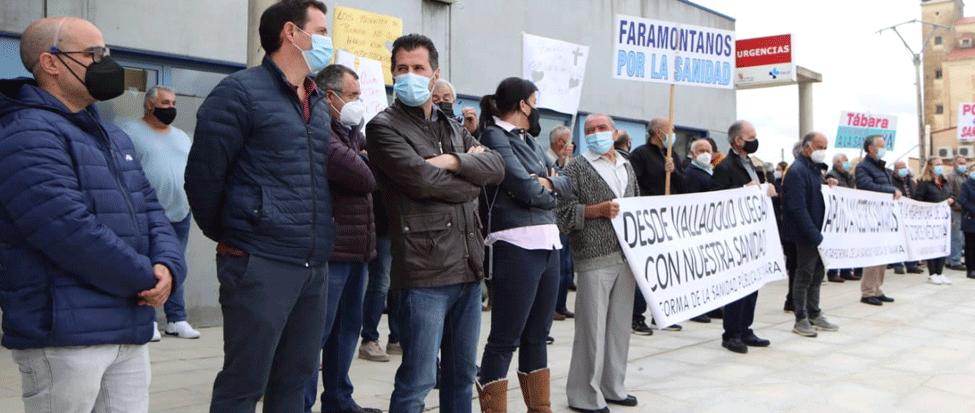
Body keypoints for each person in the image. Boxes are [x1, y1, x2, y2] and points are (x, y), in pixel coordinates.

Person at [0, 16, 186, 412]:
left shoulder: (112, 134)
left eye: (107, 53)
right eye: (93, 54)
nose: (106, 64)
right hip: (65, 333)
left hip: (129, 326)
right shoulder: (26, 131)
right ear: (50, 63)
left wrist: (168, 266)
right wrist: (145, 278)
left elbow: (151, 209)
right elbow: (65, 228)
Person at [184, 1, 336, 411]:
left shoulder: (317, 102)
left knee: (295, 381)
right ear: (291, 32)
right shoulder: (239, 92)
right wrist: (239, 235)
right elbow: (203, 176)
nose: (328, 42)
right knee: (244, 383)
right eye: (321, 32)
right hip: (259, 259)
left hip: (312, 262)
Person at [365, 33, 504, 413]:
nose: (409, 75)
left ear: (435, 73)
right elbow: (420, 179)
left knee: (461, 378)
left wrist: (455, 162)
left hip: (468, 268)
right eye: (401, 69)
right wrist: (469, 182)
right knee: (418, 380)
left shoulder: (451, 126)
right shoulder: (383, 127)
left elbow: (495, 166)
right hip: (424, 272)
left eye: (418, 68)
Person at [475, 77, 572, 413]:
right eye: (534, 100)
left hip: (548, 242)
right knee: (505, 337)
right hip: (514, 243)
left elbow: (566, 182)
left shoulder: (528, 141)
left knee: (537, 335)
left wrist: (544, 182)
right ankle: (492, 408)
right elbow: (522, 185)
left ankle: (539, 407)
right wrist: (545, 183)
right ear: (521, 104)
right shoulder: (493, 135)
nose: (536, 107)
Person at [303, 64, 382, 413]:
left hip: (358, 250)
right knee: (313, 336)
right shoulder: (318, 127)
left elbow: (379, 167)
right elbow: (365, 177)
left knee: (347, 331)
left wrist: (366, 160)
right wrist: (364, 162)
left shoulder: (350, 131)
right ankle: (300, 404)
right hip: (330, 250)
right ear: (330, 96)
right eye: (352, 96)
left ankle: (338, 400)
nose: (358, 103)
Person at [557, 114, 640, 413]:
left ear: (615, 132)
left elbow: (637, 206)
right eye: (589, 129)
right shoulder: (577, 167)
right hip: (593, 255)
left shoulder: (626, 165)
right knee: (591, 330)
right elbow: (563, 213)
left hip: (626, 257)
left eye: (602, 128)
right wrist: (596, 210)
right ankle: (584, 395)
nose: (596, 133)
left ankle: (613, 386)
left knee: (619, 328)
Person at [121, 85, 201, 341]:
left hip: (180, 212)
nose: (171, 108)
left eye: (174, 103)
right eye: (166, 103)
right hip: (147, 214)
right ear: (149, 105)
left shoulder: (180, 136)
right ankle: (148, 321)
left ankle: (177, 319)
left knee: (176, 265)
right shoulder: (130, 131)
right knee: (148, 266)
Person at [709, 120, 776, 354]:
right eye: (751, 136)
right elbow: (714, 198)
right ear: (738, 140)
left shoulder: (750, 164)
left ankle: (745, 329)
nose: (754, 140)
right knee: (737, 286)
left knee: (752, 284)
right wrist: (742, 191)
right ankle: (731, 333)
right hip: (734, 236)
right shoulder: (726, 166)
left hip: (752, 234)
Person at [628, 117, 684, 334]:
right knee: (645, 269)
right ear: (659, 132)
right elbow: (633, 184)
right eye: (671, 129)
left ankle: (662, 314)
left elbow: (683, 184)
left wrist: (673, 172)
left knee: (665, 268)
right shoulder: (640, 155)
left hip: (668, 220)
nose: (673, 132)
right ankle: (636, 316)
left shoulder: (672, 156)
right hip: (647, 221)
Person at [782, 132, 840, 337]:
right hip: (805, 234)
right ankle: (801, 318)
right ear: (807, 147)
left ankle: (814, 313)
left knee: (817, 274)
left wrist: (828, 184)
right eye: (819, 147)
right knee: (803, 275)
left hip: (819, 233)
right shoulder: (797, 170)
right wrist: (812, 233)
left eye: (825, 147)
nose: (822, 151)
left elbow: (817, 195)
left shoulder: (814, 170)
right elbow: (797, 207)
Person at [854, 135, 901, 306]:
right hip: (871, 216)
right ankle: (867, 292)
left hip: (884, 216)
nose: (884, 148)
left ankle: (877, 289)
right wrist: (890, 190)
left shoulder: (882, 167)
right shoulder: (863, 167)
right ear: (871, 148)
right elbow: (866, 186)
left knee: (883, 255)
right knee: (873, 255)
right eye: (881, 145)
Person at [548, 125, 576, 321]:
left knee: (566, 267)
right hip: (553, 219)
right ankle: (550, 307)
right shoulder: (546, 158)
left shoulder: (568, 161)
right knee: (555, 267)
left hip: (566, 221)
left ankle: (561, 304)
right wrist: (562, 161)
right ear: (560, 143)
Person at [913, 157, 955, 285]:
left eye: (941, 164)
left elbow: (947, 193)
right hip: (930, 220)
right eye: (937, 164)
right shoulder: (925, 182)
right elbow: (918, 199)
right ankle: (932, 273)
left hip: (943, 219)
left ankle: (940, 272)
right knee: (932, 246)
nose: (940, 166)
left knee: (942, 245)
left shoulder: (941, 182)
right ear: (930, 167)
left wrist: (950, 200)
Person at [823, 153, 860, 283]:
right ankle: (833, 272)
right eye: (845, 160)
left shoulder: (848, 175)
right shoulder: (831, 175)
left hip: (848, 213)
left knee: (847, 243)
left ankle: (846, 270)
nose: (847, 163)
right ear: (838, 162)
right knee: (836, 243)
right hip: (837, 215)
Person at [890, 161, 924, 275]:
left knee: (910, 240)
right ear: (895, 170)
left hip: (910, 214)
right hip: (897, 213)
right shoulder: (891, 181)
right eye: (900, 168)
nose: (903, 170)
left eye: (904, 167)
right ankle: (898, 264)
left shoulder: (910, 181)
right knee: (898, 240)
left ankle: (911, 264)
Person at [945, 155, 969, 271]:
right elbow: (943, 187)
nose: (963, 165)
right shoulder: (949, 176)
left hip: (965, 210)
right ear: (954, 164)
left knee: (961, 237)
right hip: (956, 209)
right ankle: (954, 260)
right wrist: (953, 202)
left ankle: (952, 259)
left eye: (964, 163)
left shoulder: (965, 176)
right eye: (961, 163)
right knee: (956, 236)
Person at [957, 162, 975, 279]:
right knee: (970, 245)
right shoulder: (966, 185)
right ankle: (971, 269)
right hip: (970, 219)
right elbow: (963, 201)